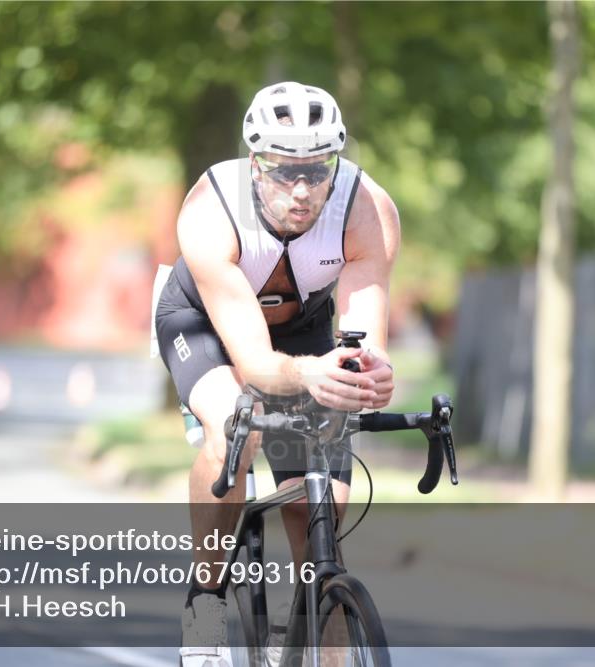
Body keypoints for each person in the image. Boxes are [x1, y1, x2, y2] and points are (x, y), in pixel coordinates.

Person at [154, 82, 400, 666]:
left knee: (321, 514)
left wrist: (372, 373)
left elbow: (364, 336)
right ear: (254, 162)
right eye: (282, 169)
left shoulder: (368, 209)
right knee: (237, 429)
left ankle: (319, 624)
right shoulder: (211, 210)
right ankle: (207, 601)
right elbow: (259, 366)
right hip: (207, 327)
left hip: (305, 333)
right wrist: (312, 377)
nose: (300, 189)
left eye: (316, 171)